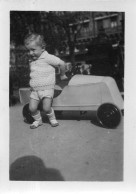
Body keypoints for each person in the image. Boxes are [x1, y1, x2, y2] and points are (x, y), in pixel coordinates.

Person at [24, 33, 68, 129]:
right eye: (29, 50)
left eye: (33, 50)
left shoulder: (47, 57)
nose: (31, 53)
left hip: (47, 88)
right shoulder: (32, 60)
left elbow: (61, 63)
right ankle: (38, 120)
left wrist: (62, 74)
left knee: (46, 108)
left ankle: (52, 119)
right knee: (31, 108)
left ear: (42, 48)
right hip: (35, 90)